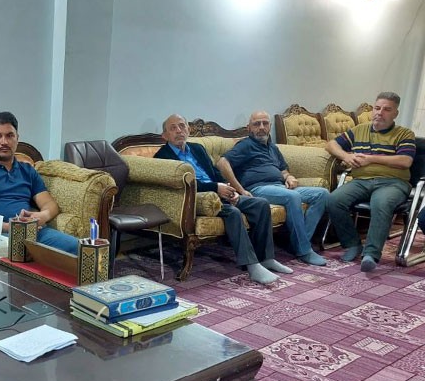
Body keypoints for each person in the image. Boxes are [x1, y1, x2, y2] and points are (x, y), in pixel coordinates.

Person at [155, 114, 292, 284]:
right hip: (198, 199)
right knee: (233, 213)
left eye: (182, 126)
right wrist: (216, 188)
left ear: (188, 130)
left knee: (261, 204)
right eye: (173, 128)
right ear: (165, 135)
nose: (179, 131)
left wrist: (229, 189)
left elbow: (214, 172)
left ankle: (266, 258)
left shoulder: (197, 148)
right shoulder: (163, 157)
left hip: (219, 192)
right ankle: (252, 266)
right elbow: (184, 184)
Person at [217, 111, 329, 266]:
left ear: (270, 126)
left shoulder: (273, 148)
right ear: (249, 128)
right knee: (293, 197)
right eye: (257, 124)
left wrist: (289, 177)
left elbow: (283, 169)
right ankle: (304, 250)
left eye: (265, 123)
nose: (261, 127)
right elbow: (222, 163)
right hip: (259, 188)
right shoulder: (245, 145)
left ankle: (298, 242)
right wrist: (240, 190)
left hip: (280, 187)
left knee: (322, 194)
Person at [0, 111, 79, 254]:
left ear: (17, 138)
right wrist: (9, 227)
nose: (4, 142)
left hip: (33, 232)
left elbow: (50, 204)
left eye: (10, 135)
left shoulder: (27, 170)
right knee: (18, 254)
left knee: (77, 247)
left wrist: (42, 216)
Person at [325, 92, 416, 271]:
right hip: (361, 181)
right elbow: (331, 144)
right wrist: (346, 156)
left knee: (380, 202)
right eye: (377, 108)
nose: (380, 113)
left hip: (393, 182)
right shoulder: (360, 129)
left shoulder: (404, 133)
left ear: (395, 113)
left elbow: (405, 161)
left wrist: (370, 159)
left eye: (387, 109)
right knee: (333, 200)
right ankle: (352, 244)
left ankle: (371, 254)